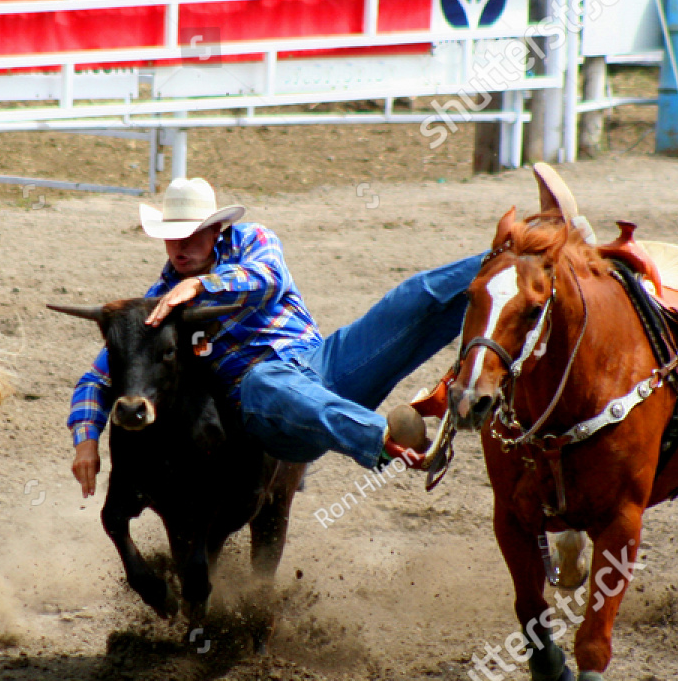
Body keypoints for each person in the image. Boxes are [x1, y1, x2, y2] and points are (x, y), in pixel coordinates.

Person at [68, 178, 481, 497]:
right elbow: (102, 377)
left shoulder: (253, 240)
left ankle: (518, 257)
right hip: (267, 408)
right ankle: (385, 438)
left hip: (320, 364)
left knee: (411, 298)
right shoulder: (159, 309)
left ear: (216, 231)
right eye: (173, 235)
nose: (181, 245)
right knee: (264, 380)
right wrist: (86, 441)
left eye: (193, 233)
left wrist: (202, 286)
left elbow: (268, 277)